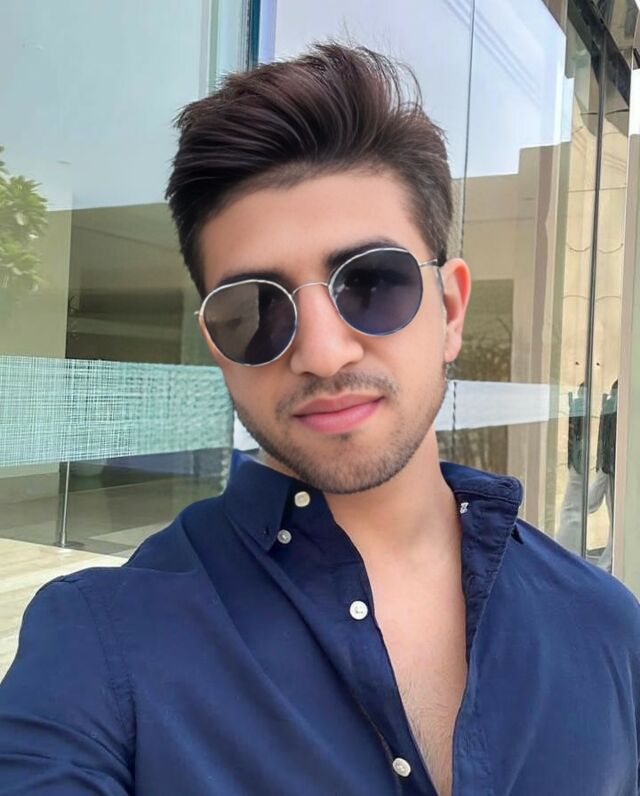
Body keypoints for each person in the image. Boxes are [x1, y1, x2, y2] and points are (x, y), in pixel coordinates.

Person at [1, 43, 639, 796]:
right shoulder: (99, 647)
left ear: (450, 310)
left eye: (372, 283)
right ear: (217, 345)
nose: (323, 353)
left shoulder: (608, 628)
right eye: (255, 310)